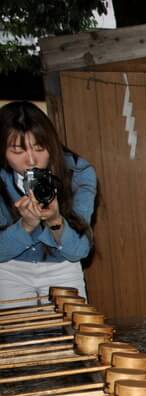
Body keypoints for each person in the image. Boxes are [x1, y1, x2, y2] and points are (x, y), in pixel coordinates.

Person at [0, 101, 95, 303]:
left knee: (73, 329)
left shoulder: (77, 172)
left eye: (39, 148)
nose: (31, 160)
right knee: (18, 332)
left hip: (62, 265)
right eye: (18, 151)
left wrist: (55, 221)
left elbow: (79, 250)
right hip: (9, 267)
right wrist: (25, 226)